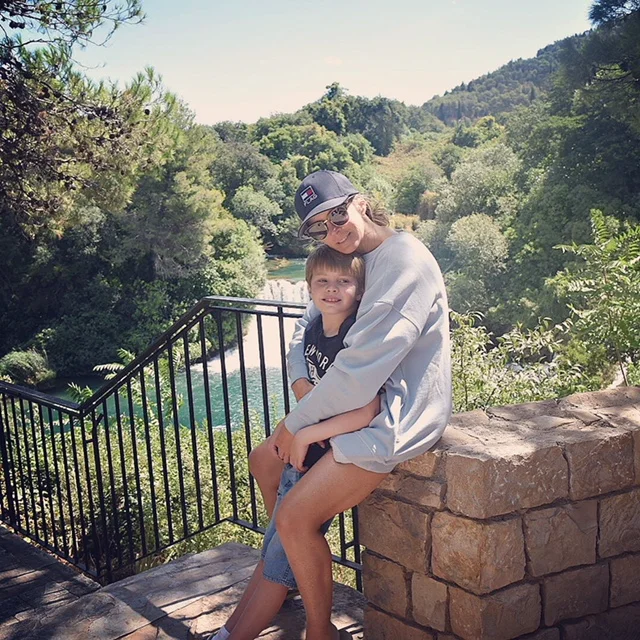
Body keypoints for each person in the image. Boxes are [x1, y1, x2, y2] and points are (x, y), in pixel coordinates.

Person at [249, 170, 452, 640]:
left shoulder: (402, 261)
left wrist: (296, 425)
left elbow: (359, 376)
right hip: (356, 406)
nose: (333, 231)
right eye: (318, 227)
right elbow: (303, 324)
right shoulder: (355, 257)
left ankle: (320, 630)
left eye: (337, 215)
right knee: (264, 461)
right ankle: (293, 570)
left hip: (394, 415)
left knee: (295, 517)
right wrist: (301, 383)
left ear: (360, 202)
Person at [209, 245, 380, 640]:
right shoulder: (317, 328)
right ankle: (230, 629)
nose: (332, 289)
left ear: (359, 289)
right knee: (275, 551)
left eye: (343, 281)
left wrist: (305, 432)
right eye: (323, 281)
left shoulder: (353, 337)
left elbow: (367, 409)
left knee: (280, 556)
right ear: (309, 288)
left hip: (324, 456)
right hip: (304, 458)